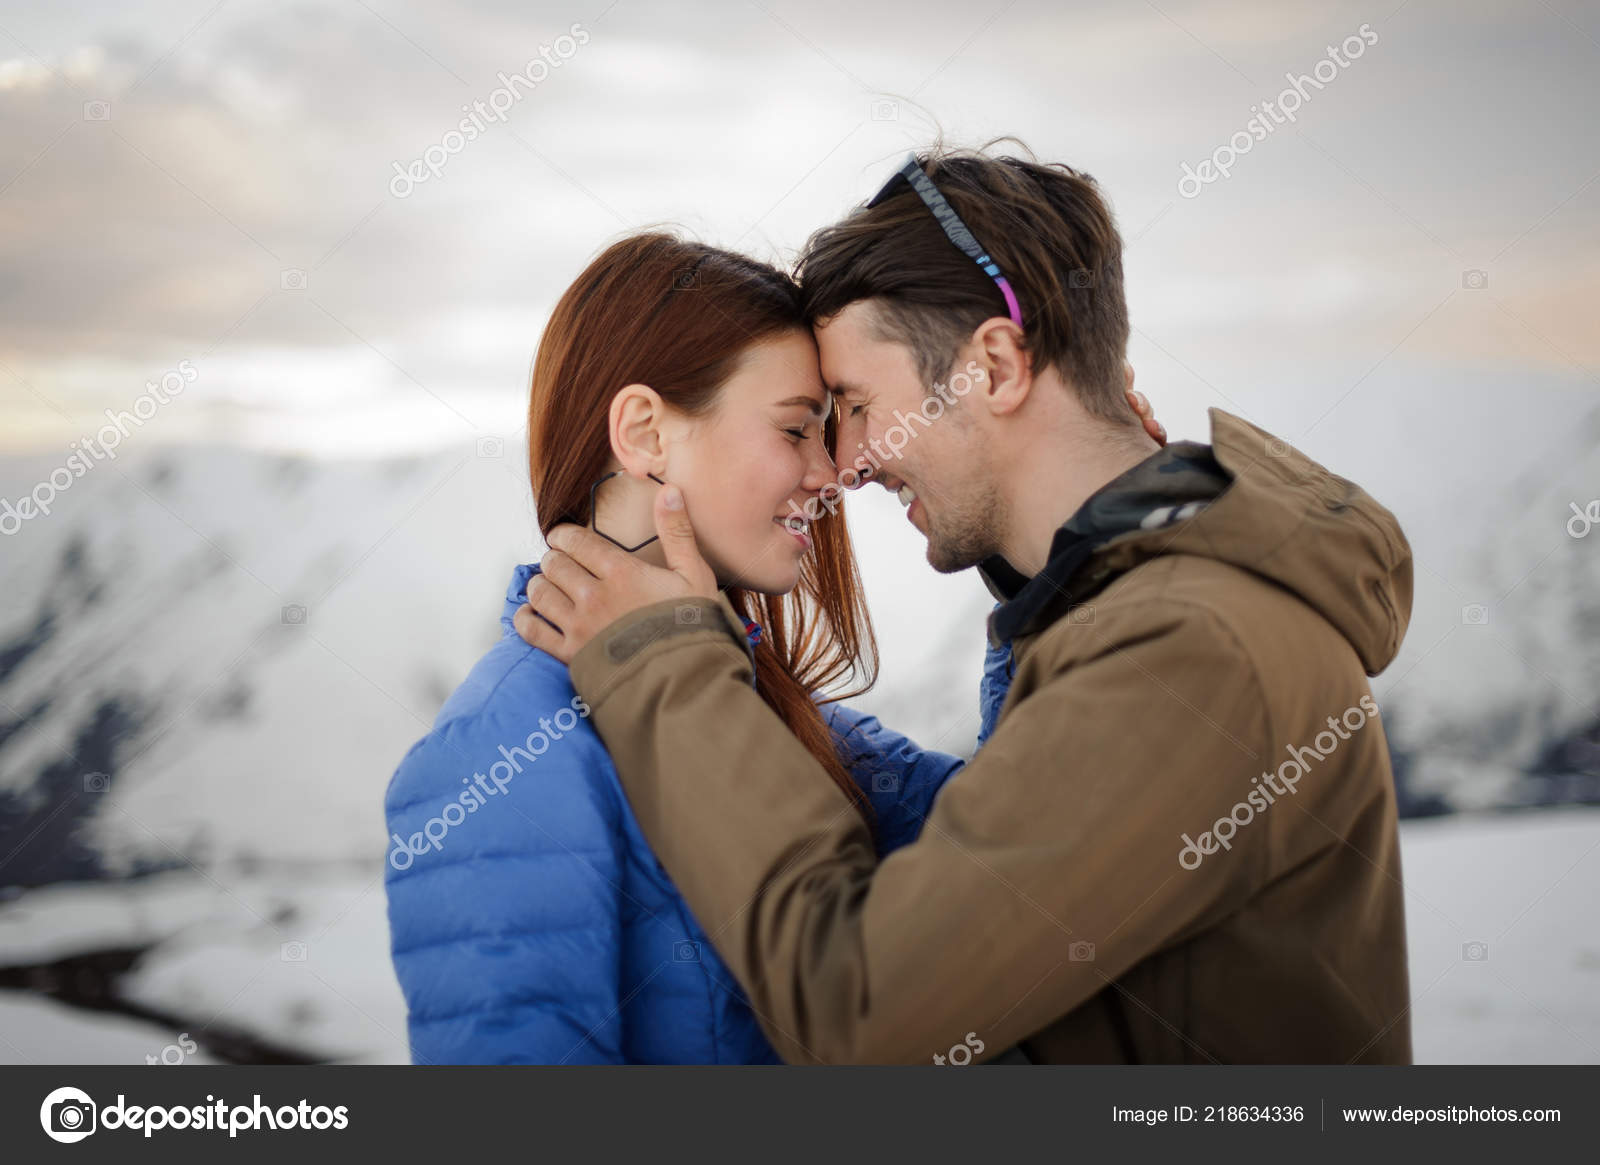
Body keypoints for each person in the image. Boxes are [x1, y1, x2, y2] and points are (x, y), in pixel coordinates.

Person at [513, 145, 1416, 1065]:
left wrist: (664, 667)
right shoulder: (1139, 615)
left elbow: (860, 1010)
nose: (850, 464)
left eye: (858, 406)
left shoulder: (1186, 650)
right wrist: (1065, 573)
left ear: (992, 364)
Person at [382, 229, 1165, 1064]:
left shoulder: (770, 719)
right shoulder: (502, 751)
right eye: (797, 431)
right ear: (646, 432)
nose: (832, 473)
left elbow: (1027, 879)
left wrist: (1071, 555)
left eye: (831, 429)